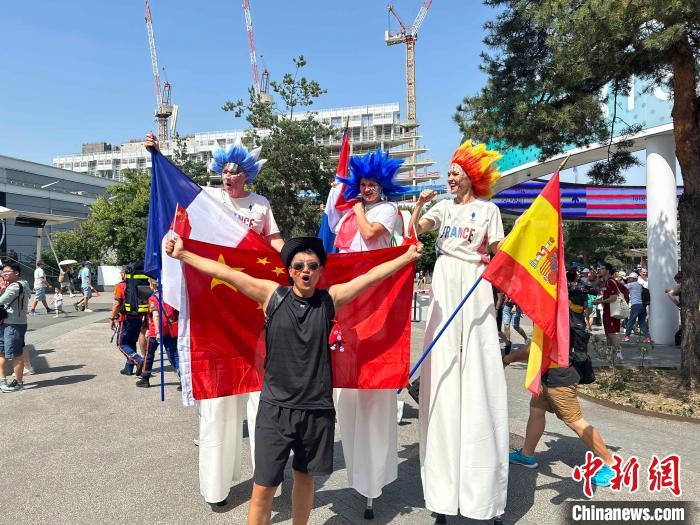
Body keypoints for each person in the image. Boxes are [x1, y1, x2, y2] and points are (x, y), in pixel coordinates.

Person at [166, 234, 422, 525]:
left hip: (316, 410)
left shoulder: (331, 299)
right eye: (299, 265)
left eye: (312, 265)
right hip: (275, 410)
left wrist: (407, 258)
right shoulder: (272, 295)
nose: (305, 271)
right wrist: (183, 255)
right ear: (289, 270)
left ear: (320, 270)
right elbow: (224, 273)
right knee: (263, 488)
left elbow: (371, 277)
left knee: (304, 479)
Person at [146, 131, 285, 506]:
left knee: (261, 393)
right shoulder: (206, 198)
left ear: (247, 174)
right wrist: (157, 155)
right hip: (215, 305)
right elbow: (177, 205)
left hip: (254, 306)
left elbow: (274, 244)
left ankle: (267, 480)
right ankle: (215, 487)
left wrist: (298, 260)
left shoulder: (261, 204)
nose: (228, 176)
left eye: (235, 171)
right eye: (223, 170)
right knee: (219, 398)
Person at [409, 140, 507, 523]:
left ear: (472, 177)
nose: (450, 178)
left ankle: (482, 491)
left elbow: (499, 251)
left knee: (478, 371)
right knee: (444, 366)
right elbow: (419, 229)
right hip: (446, 278)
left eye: (456, 173)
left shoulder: (488, 210)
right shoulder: (442, 207)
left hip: (475, 280)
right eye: (449, 173)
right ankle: (442, 493)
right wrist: (419, 203)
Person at [330, 148, 410, 517]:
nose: (366, 189)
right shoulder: (348, 209)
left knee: (372, 389)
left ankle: (374, 478)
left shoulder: (385, 211)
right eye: (362, 184)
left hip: (375, 295)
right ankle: (356, 469)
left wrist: (356, 207)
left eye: (372, 185)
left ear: (383, 186)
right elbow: (337, 237)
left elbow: (367, 232)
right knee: (346, 389)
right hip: (348, 299)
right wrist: (338, 197)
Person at [505, 271, 616, 489]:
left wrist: (507, 359)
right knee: (536, 411)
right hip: (549, 373)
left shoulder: (553, 316)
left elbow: (532, 349)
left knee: (575, 421)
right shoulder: (562, 312)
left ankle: (610, 463)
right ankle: (527, 454)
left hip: (559, 377)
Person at [136, 279, 179, 388]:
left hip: (156, 331)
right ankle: (183, 379)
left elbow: (155, 315)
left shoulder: (153, 298)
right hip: (170, 329)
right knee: (173, 354)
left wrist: (157, 331)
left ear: (152, 285)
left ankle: (145, 378)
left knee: (149, 354)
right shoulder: (170, 297)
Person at [109, 266, 145, 376]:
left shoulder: (120, 286)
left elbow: (117, 304)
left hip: (125, 319)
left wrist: (112, 318)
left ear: (124, 274)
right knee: (131, 342)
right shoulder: (140, 284)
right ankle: (128, 368)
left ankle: (138, 360)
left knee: (121, 343)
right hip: (138, 317)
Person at [0, 262, 29, 392]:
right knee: (2, 353)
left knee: (15, 355)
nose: (3, 274)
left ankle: (18, 383)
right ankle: (2, 381)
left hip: (13, 324)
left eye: (7, 272)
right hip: (8, 323)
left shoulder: (15, 287)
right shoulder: (23, 284)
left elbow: (1, 300)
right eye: (3, 272)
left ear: (16, 273)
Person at [593, 263, 628, 363]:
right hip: (608, 311)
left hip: (612, 311)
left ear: (608, 271)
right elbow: (607, 296)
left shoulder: (610, 282)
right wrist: (599, 300)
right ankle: (609, 354)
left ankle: (619, 355)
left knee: (612, 333)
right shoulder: (606, 282)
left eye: (603, 268)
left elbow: (613, 298)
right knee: (608, 333)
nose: (600, 270)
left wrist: (599, 302)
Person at [624, 272, 652, 343]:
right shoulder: (640, 285)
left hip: (635, 305)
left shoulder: (631, 284)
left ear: (632, 278)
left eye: (629, 278)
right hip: (642, 305)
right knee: (642, 322)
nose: (628, 279)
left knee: (631, 321)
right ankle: (648, 338)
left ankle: (627, 336)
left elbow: (622, 288)